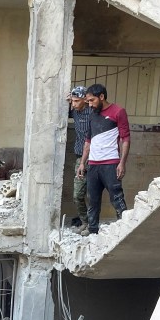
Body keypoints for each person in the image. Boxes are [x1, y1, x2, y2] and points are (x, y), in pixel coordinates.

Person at [77, 83, 130, 236]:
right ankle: (92, 229)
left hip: (111, 162)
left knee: (116, 196)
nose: (90, 104)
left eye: (92, 100)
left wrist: (122, 163)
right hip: (93, 164)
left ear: (101, 97)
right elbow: (88, 140)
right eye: (88, 101)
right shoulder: (93, 114)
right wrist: (82, 163)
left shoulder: (118, 112)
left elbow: (125, 138)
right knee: (92, 198)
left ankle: (124, 227)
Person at [68, 86, 92, 229]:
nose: (74, 104)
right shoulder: (73, 111)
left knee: (92, 194)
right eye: (72, 101)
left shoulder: (94, 112)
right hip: (80, 158)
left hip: (95, 157)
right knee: (77, 194)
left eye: (77, 101)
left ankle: (92, 224)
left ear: (85, 99)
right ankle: (85, 221)